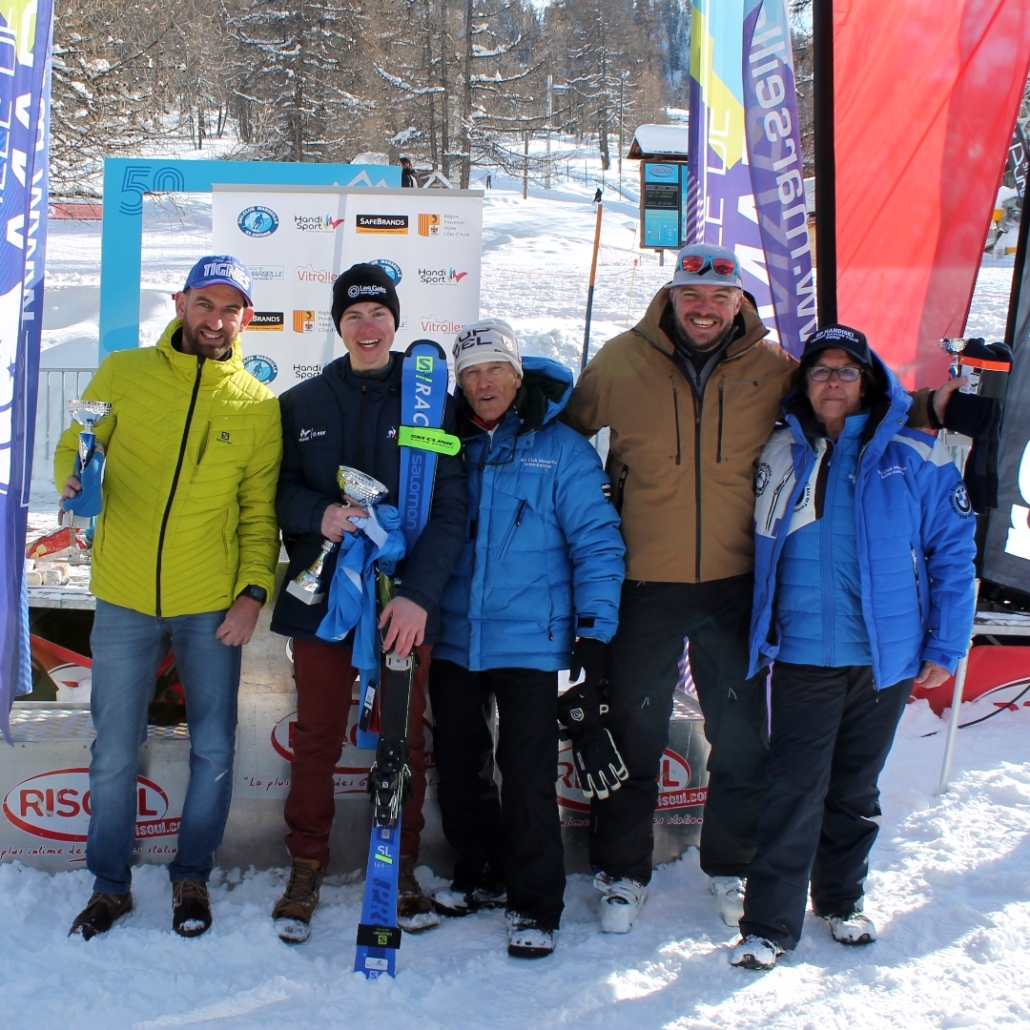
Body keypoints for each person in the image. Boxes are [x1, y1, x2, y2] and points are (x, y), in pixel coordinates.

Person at [564, 243, 965, 933]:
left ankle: (729, 867)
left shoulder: (775, 368)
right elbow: (568, 441)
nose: (705, 308)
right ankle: (622, 873)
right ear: (672, 295)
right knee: (636, 729)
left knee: (742, 737)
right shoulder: (619, 363)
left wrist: (929, 403)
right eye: (692, 294)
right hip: (644, 582)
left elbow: (848, 407)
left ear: (739, 302)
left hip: (736, 586)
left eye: (720, 298)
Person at [731, 325, 976, 969]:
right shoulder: (778, 452)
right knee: (793, 789)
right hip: (805, 653)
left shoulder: (915, 457)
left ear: (866, 381)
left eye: (846, 370)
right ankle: (768, 926)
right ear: (803, 383)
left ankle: (840, 901)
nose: (832, 381)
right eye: (820, 371)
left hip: (885, 659)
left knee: (855, 790)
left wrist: (944, 646)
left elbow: (954, 556)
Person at [57, 255, 282, 940]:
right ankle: (109, 884)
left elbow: (257, 515)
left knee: (214, 744)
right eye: (205, 303)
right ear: (182, 301)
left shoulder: (256, 402)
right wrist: (74, 472)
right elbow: (79, 443)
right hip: (124, 594)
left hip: (210, 602)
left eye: (230, 309)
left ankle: (192, 874)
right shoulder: (123, 372)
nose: (216, 320)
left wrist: (251, 594)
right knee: (114, 748)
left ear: (246, 318)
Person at [269, 263, 466, 941]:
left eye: (379, 313)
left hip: (401, 607)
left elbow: (448, 510)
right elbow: (275, 491)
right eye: (353, 316)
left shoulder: (431, 403)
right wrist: (316, 513)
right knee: (317, 736)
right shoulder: (301, 403)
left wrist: (417, 596)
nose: (368, 326)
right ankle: (306, 865)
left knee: (403, 742)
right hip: (325, 600)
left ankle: (399, 866)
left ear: (396, 321)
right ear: (338, 325)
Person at [429, 319, 626, 957]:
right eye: (472, 374)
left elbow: (599, 543)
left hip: (535, 643)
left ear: (517, 376)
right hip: (455, 638)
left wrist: (594, 633)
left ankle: (535, 903)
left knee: (529, 775)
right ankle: (480, 873)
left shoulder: (561, 448)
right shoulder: (441, 442)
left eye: (496, 371)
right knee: (460, 769)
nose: (485, 384)